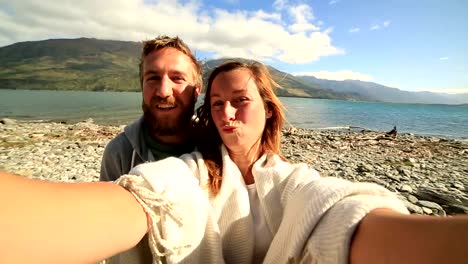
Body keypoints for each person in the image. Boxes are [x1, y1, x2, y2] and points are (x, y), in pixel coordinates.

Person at [1, 60, 467, 264]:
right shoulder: (189, 173)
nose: (225, 112)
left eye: (240, 101)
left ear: (269, 109)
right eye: (217, 102)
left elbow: (339, 215)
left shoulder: (298, 184)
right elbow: (154, 200)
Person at [100, 35, 202, 182]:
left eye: (177, 78)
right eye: (153, 78)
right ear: (142, 86)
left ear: (196, 91)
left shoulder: (219, 147)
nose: (163, 91)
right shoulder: (120, 151)